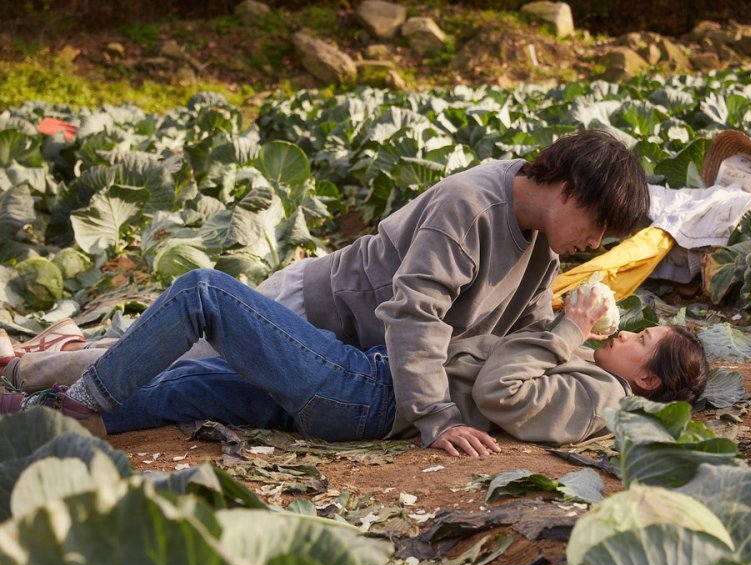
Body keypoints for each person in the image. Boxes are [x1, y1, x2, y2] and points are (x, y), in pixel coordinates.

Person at [183, 129, 651, 456]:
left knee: (201, 392)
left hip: (356, 353)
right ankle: (108, 370)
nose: (594, 245)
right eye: (597, 228)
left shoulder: (545, 244)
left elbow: (522, 327)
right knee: (175, 361)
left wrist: (569, 338)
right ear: (569, 192)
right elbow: (415, 314)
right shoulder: (470, 204)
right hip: (310, 311)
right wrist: (436, 416)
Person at [1, 269, 708, 452]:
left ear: (647, 378)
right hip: (368, 376)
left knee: (207, 293)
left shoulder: (599, 395)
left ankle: (63, 398)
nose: (631, 331)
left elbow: (502, 390)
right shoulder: (588, 373)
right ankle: (35, 422)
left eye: (644, 341)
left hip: (366, 394)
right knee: (186, 387)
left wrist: (569, 330)